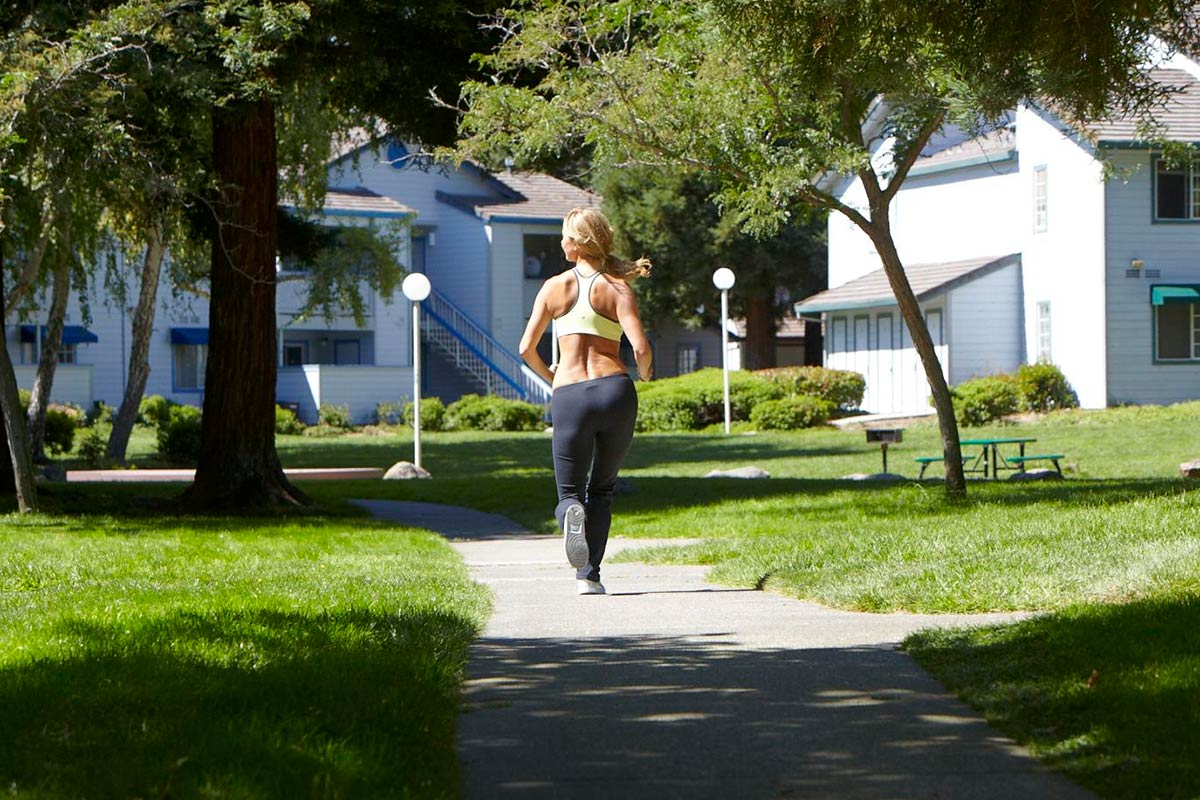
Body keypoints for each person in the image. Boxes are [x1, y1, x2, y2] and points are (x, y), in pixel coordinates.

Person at [518, 207, 653, 596]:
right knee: (603, 490)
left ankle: (570, 516)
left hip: (571, 393)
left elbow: (526, 347)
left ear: (577, 244)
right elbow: (640, 347)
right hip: (615, 390)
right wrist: (643, 374)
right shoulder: (618, 288)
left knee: (569, 494)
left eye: (566, 236)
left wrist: (554, 378)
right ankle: (589, 576)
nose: (562, 242)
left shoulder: (553, 287)